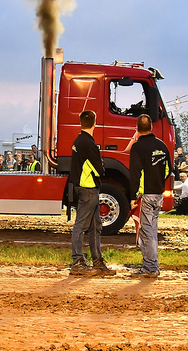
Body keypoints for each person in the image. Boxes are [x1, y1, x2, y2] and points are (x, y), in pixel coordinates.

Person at [68, 110, 114, 276]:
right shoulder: (89, 143)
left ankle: (97, 261)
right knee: (81, 225)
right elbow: (99, 169)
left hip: (84, 187)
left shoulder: (78, 140)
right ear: (95, 123)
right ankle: (77, 261)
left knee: (95, 225)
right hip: (88, 188)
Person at [129, 114, 172, 278]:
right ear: (151, 128)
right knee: (152, 230)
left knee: (147, 232)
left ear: (137, 129)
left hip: (146, 195)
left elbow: (136, 173)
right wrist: (159, 183)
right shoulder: (161, 145)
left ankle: (150, 268)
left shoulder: (137, 147)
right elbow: (168, 170)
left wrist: (134, 195)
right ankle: (152, 266)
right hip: (158, 194)